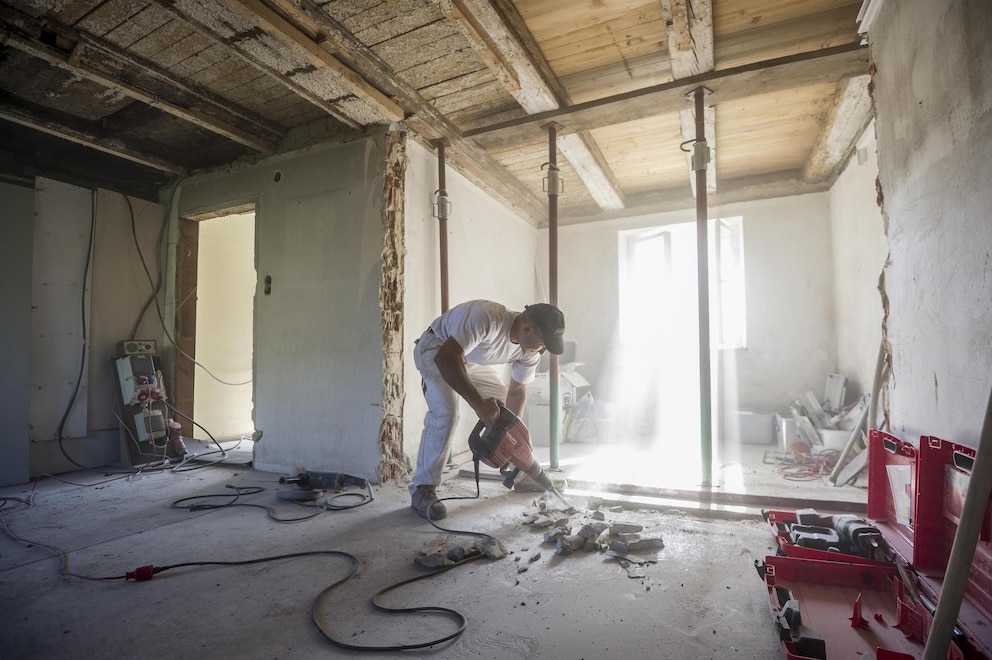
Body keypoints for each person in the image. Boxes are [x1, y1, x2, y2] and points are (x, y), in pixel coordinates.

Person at [409, 300, 566, 519]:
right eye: (543, 343)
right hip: (436, 348)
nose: (543, 350)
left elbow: (517, 390)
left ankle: (522, 472)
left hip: (466, 359)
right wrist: (479, 405)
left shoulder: (530, 351)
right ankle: (422, 488)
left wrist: (507, 433)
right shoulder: (487, 318)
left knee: (507, 416)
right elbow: (446, 358)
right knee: (448, 412)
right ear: (527, 329)